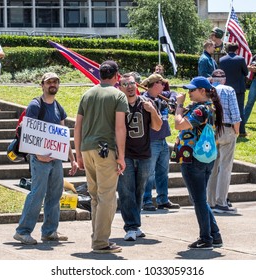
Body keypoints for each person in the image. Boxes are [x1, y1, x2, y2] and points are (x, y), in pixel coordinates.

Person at [13, 72, 78, 245]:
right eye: (49, 81)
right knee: (37, 194)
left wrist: (72, 159)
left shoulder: (58, 107)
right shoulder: (35, 105)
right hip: (40, 160)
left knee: (55, 195)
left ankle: (49, 231)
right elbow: (27, 132)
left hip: (56, 159)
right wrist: (37, 154)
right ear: (42, 84)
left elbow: (64, 137)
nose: (53, 84)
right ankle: (23, 231)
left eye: (55, 81)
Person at [74, 60, 129, 254]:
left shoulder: (87, 94)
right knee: (107, 197)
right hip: (105, 150)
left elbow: (77, 126)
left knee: (96, 196)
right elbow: (120, 127)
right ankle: (100, 242)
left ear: (99, 75)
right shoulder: (118, 95)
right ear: (116, 76)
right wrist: (121, 156)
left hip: (87, 149)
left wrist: (77, 152)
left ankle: (97, 238)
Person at [174, 76, 224, 250]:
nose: (189, 93)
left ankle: (206, 238)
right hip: (203, 158)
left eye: (192, 90)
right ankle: (214, 235)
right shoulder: (206, 107)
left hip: (192, 159)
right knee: (200, 199)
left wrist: (179, 106)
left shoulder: (201, 109)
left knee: (199, 200)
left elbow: (179, 125)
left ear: (203, 91)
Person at [117, 73, 162, 241]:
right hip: (125, 154)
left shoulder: (146, 103)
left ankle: (135, 225)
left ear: (136, 85)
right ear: (120, 87)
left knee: (140, 188)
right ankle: (131, 226)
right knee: (126, 190)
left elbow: (157, 127)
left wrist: (152, 111)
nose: (129, 86)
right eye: (125, 84)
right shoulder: (118, 105)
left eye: (131, 83)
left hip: (144, 153)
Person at [141, 74, 180, 211]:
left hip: (163, 140)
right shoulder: (144, 99)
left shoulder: (162, 96)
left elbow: (174, 93)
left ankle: (163, 199)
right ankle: (146, 200)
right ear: (154, 84)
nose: (163, 86)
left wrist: (172, 100)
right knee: (149, 173)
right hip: (151, 140)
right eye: (161, 83)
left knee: (163, 172)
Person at [207, 69, 241, 214]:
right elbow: (235, 113)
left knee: (212, 168)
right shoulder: (228, 90)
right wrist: (237, 131)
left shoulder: (208, 89)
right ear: (224, 80)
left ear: (212, 79)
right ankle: (221, 202)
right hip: (227, 129)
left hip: (210, 131)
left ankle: (210, 201)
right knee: (225, 168)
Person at [219, 42, 249, 137]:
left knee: (225, 109)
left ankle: (227, 128)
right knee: (240, 109)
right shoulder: (240, 59)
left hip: (226, 88)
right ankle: (242, 131)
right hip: (238, 88)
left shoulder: (222, 60)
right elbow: (246, 72)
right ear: (237, 49)